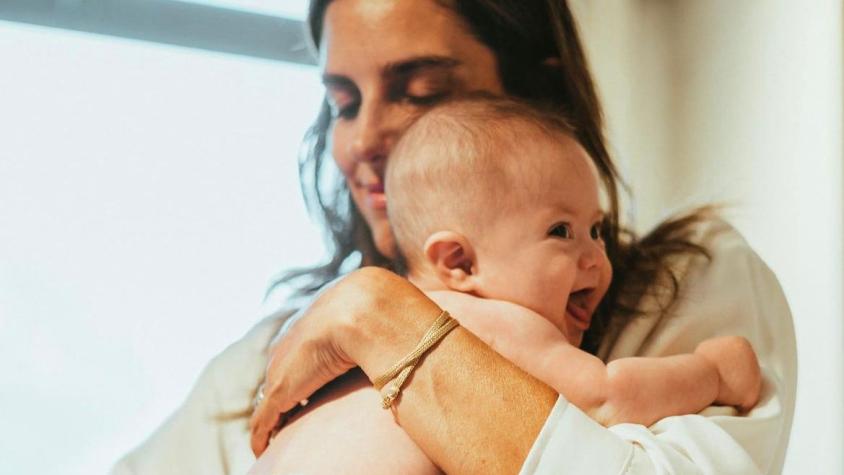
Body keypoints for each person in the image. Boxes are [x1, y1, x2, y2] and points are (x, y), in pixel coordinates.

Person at [112, 1, 796, 474]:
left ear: (536, 97)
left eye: (419, 91)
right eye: (344, 102)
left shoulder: (688, 280)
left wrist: (381, 317)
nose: (364, 139)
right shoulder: (270, 354)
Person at [246, 96, 764, 474]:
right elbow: (605, 398)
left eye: (597, 230)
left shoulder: (345, 342)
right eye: (560, 231)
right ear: (459, 262)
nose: (596, 258)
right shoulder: (487, 323)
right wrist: (712, 374)